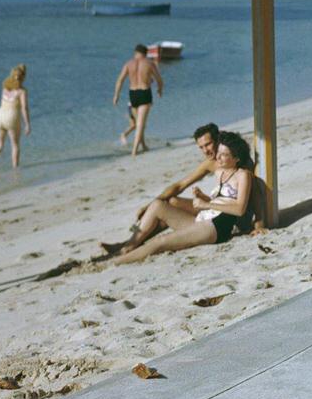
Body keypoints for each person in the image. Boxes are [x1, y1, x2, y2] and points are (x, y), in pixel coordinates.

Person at [113, 130, 257, 263]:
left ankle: (115, 263)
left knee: (161, 242)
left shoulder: (243, 175)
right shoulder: (220, 172)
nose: (217, 157)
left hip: (216, 227)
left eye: (224, 154)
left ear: (236, 158)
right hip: (204, 219)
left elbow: (240, 209)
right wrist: (203, 198)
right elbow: (221, 199)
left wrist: (206, 205)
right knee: (157, 205)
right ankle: (128, 247)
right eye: (218, 152)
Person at [99, 123, 220, 257]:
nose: (205, 151)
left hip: (216, 219)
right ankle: (131, 242)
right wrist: (150, 204)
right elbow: (180, 185)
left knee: (159, 207)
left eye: (208, 144)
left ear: (218, 140)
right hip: (214, 209)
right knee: (171, 201)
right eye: (201, 147)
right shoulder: (210, 162)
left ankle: (129, 245)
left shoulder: (232, 159)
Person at [113, 44, 164, 155]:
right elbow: (159, 80)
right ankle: (135, 150)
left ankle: (143, 145)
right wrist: (160, 90)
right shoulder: (149, 63)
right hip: (144, 93)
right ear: (146, 54)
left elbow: (120, 80)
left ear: (135, 52)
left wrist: (116, 95)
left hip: (133, 94)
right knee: (140, 124)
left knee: (139, 122)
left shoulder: (128, 63)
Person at [0, 64, 30, 172]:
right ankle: (15, 169)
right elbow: (24, 108)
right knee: (15, 145)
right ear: (23, 77)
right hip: (11, 117)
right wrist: (27, 124)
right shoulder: (22, 91)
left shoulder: (5, 87)